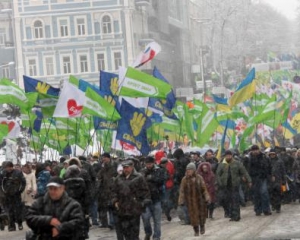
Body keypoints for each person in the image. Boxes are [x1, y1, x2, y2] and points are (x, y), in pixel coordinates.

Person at [111, 160, 151, 240]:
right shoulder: (118, 178)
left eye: (127, 167)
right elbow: (114, 192)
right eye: (124, 167)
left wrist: (141, 203)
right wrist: (115, 201)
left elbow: (145, 192)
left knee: (134, 233)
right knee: (125, 232)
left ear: (132, 167)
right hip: (122, 210)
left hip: (134, 209)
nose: (126, 169)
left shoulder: (139, 177)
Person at [216, 150, 252, 221]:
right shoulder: (222, 164)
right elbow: (218, 174)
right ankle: (231, 214)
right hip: (225, 185)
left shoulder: (237, 163)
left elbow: (244, 172)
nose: (228, 157)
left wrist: (249, 180)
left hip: (234, 184)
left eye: (229, 155)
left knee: (235, 200)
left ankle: (236, 215)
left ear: (232, 156)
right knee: (227, 200)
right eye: (227, 155)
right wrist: (220, 183)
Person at [178, 162, 210, 236]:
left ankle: (202, 226)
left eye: (190, 170)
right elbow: (182, 191)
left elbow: (204, 188)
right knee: (193, 217)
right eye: (187, 170)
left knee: (201, 215)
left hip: (200, 200)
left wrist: (207, 197)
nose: (188, 171)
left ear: (194, 170)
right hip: (190, 201)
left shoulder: (199, 178)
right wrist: (181, 200)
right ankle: (196, 230)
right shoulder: (184, 179)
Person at [141, 156, 165, 240]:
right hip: (145, 199)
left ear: (153, 163)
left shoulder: (159, 170)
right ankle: (148, 233)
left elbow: (162, 180)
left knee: (157, 220)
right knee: (145, 218)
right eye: (147, 164)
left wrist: (152, 178)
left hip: (156, 198)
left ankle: (156, 236)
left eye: (150, 164)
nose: (148, 166)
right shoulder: (142, 172)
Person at [1, 161, 26, 231]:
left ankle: (20, 223)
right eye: (7, 167)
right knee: (9, 211)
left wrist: (19, 191)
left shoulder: (18, 173)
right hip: (7, 195)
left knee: (18, 210)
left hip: (16, 195)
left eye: (9, 167)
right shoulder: (3, 174)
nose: (8, 169)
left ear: (12, 167)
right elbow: (1, 184)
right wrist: (4, 192)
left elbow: (23, 183)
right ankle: (11, 225)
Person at [248, 145, 272, 216]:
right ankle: (258, 210)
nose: (255, 151)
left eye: (256, 150)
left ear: (259, 150)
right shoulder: (249, 159)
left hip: (262, 177)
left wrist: (270, 175)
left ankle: (266, 209)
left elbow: (269, 167)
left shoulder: (264, 157)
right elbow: (247, 169)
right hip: (254, 179)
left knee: (264, 193)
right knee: (256, 194)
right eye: (253, 150)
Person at [97, 152, 118, 229]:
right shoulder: (103, 166)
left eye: (104, 157)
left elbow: (119, 174)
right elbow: (99, 176)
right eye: (102, 158)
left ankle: (113, 222)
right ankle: (111, 222)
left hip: (114, 189)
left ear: (108, 157)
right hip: (105, 190)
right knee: (108, 206)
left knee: (113, 206)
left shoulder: (115, 165)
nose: (103, 159)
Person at [268, 149, 286, 213]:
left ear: (275, 154)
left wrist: (284, 180)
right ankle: (273, 205)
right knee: (271, 194)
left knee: (278, 194)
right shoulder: (267, 161)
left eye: (273, 154)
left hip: (278, 180)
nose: (272, 155)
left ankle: (278, 207)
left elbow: (283, 171)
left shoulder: (280, 161)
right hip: (270, 181)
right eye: (271, 154)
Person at [159, 157, 175, 221]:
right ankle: (166, 213)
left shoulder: (165, 169)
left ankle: (167, 213)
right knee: (164, 201)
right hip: (161, 188)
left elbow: (168, 176)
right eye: (166, 163)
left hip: (166, 187)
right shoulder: (158, 170)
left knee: (166, 201)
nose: (166, 165)